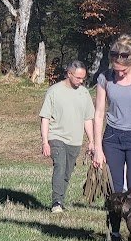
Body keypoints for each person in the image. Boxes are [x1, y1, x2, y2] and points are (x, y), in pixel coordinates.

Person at [92, 35, 131, 241]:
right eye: (116, 69)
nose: (119, 74)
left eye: (123, 70)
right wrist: (97, 147)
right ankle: (115, 234)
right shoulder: (104, 79)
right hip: (113, 138)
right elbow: (99, 114)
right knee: (115, 191)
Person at [40, 60, 95, 213]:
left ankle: (60, 200)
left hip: (75, 141)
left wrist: (91, 141)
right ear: (69, 74)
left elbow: (88, 119)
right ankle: (56, 202)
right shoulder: (54, 91)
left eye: (83, 78)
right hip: (56, 137)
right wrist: (45, 142)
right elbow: (45, 117)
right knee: (60, 166)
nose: (81, 81)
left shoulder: (84, 93)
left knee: (67, 172)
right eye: (78, 77)